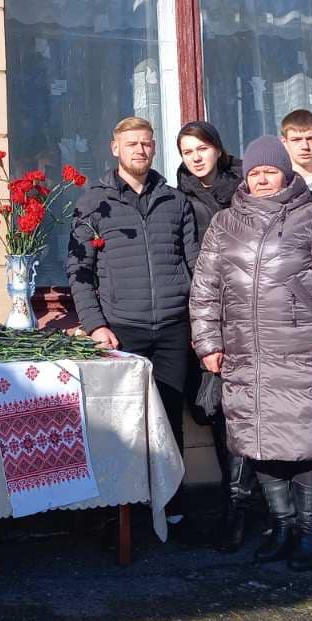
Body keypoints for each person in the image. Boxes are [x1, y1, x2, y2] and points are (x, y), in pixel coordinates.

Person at [188, 135, 312, 570]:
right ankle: (282, 527)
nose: (262, 179)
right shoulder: (225, 223)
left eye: (270, 171)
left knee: (306, 442)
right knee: (260, 440)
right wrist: (208, 342)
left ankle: (310, 533)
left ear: (285, 173)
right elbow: (205, 289)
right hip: (245, 353)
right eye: (255, 173)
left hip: (303, 350)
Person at [69, 116, 201, 522]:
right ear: (115, 148)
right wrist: (96, 325)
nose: (139, 150)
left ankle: (171, 506)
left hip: (173, 328)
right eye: (131, 144)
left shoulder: (174, 201)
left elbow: (195, 265)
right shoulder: (94, 203)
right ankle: (120, 514)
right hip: (121, 328)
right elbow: (79, 270)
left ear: (154, 148)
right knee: (122, 425)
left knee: (170, 418)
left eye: (146, 143)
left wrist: (199, 320)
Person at [175, 120, 250, 551]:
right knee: (216, 411)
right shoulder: (179, 197)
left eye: (202, 148)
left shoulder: (247, 188)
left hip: (254, 314)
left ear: (218, 149)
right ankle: (234, 505)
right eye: (188, 151)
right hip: (208, 316)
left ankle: (250, 510)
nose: (196, 157)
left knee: (253, 411)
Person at [280, 109, 312, 187]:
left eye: (311, 139)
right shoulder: (277, 185)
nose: (305, 146)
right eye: (296, 140)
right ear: (284, 142)